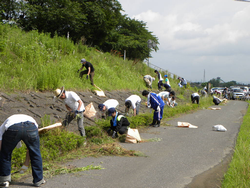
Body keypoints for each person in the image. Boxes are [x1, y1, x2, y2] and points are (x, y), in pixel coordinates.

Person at [0, 114, 45, 187]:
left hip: (13, 127)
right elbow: (30, 150)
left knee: (5, 154)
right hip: (31, 126)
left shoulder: (1, 129)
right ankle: (38, 180)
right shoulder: (32, 120)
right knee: (35, 153)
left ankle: (4, 181)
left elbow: (1, 148)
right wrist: (26, 163)